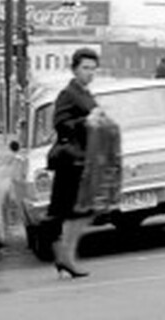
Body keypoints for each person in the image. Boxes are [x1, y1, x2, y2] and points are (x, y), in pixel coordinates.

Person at [47, 48, 103, 278]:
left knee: (77, 211)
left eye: (93, 69)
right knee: (69, 211)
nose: (90, 73)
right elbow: (60, 123)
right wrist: (86, 121)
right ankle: (64, 256)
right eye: (85, 68)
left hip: (83, 159)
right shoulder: (68, 94)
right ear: (74, 69)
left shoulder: (84, 93)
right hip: (70, 160)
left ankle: (65, 256)